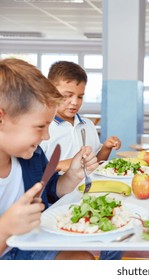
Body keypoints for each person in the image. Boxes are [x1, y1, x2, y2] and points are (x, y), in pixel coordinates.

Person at [0, 58, 97, 260]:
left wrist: (71, 176)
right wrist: (5, 229)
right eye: (39, 127)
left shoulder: (32, 156)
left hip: (30, 246)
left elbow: (52, 190)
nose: (46, 136)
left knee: (85, 259)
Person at [40, 61, 121, 172]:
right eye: (67, 96)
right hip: (58, 188)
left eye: (80, 97)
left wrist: (106, 148)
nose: (75, 102)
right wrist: (60, 165)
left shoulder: (88, 125)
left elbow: (95, 164)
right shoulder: (42, 129)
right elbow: (34, 172)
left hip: (88, 187)